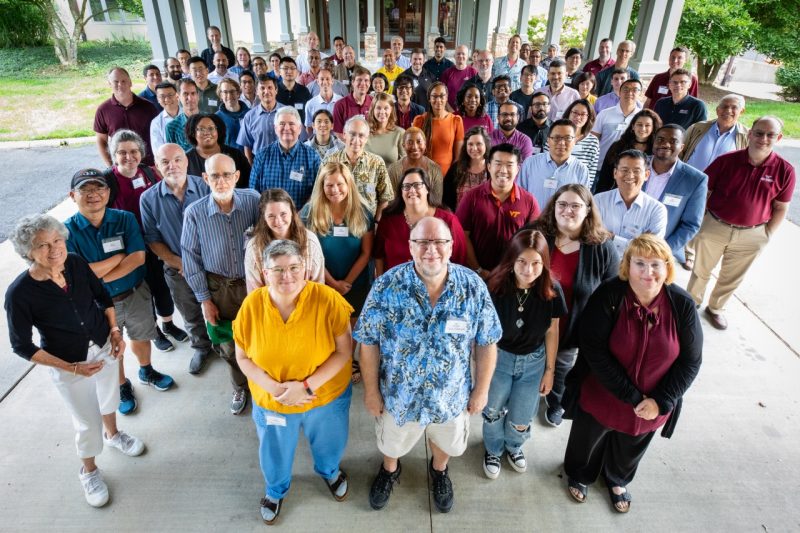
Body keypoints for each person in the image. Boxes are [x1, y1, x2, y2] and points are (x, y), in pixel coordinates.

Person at [354, 216, 502, 513]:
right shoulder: (386, 286)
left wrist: (482, 391)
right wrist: (371, 392)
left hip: (450, 397)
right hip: (399, 397)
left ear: (451, 246)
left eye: (439, 242)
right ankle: (390, 470)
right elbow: (368, 343)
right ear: (410, 247)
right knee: (392, 445)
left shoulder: (472, 287)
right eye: (422, 242)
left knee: (446, 443)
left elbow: (487, 341)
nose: (430, 249)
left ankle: (439, 471)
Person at [5, 214, 145, 508]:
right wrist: (72, 368)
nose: (53, 249)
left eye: (57, 240)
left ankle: (115, 435)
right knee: (86, 422)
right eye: (42, 245)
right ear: (27, 252)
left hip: (104, 345)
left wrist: (115, 332)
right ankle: (89, 471)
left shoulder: (76, 264)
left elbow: (103, 297)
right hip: (69, 363)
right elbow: (21, 345)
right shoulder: (20, 293)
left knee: (109, 398)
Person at [562, 233, 703, 513]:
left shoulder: (682, 304)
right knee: (587, 439)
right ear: (627, 265)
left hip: (654, 398)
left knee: (632, 444)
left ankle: (617, 478)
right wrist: (633, 395)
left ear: (667, 267)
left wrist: (661, 400)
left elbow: (691, 361)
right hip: (605, 390)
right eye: (640, 263)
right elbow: (593, 349)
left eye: (655, 264)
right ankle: (581, 473)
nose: (648, 272)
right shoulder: (609, 294)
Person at [233, 239, 353, 525]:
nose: (287, 276)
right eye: (278, 270)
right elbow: (243, 358)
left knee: (329, 441)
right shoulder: (251, 305)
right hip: (274, 401)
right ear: (264, 271)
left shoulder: (328, 299)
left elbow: (345, 351)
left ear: (306, 267)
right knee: (274, 449)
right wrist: (276, 389)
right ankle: (275, 489)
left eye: (294, 267)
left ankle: (330, 471)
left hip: (324, 396)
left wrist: (306, 386)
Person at [65, 169, 175, 416]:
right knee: (112, 348)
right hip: (97, 304)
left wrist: (95, 275)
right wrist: (117, 257)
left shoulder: (125, 219)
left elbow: (137, 258)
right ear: (73, 195)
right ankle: (122, 385)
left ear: (108, 192)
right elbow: (77, 276)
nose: (94, 194)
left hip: (135, 293)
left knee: (142, 335)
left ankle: (147, 370)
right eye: (86, 189)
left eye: (99, 188)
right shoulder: (66, 232)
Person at [686, 116, 796, 330]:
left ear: (779, 137)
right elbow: (704, 193)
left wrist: (766, 235)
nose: (763, 138)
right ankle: (692, 302)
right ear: (749, 133)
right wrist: (704, 221)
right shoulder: (727, 161)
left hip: (752, 234)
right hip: (715, 226)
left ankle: (716, 308)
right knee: (701, 270)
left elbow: (781, 207)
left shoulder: (785, 170)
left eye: (770, 135)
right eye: (759, 133)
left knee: (732, 277)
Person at [526, 184, 619, 427]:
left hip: (572, 326)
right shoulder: (535, 234)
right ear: (553, 207)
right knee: (525, 364)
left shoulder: (602, 246)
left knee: (561, 368)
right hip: (531, 322)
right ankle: (520, 401)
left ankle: (556, 402)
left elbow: (613, 291)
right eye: (562, 204)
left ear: (588, 210)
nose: (568, 210)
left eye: (576, 206)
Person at [481, 229, 567, 478]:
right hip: (499, 359)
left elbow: (552, 331)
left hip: (533, 363)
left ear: (544, 263)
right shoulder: (494, 287)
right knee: (493, 410)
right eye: (522, 262)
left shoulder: (552, 290)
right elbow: (482, 333)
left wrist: (550, 371)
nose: (528, 270)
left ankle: (514, 446)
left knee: (522, 414)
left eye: (536, 263)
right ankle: (493, 449)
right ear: (511, 260)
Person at [181, 154, 260, 415]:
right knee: (228, 342)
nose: (222, 181)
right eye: (215, 175)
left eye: (227, 175)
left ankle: (262, 385)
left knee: (260, 337)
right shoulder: (194, 213)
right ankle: (240, 385)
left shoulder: (254, 202)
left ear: (237, 176)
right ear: (205, 178)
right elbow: (190, 258)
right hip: (219, 289)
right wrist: (205, 300)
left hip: (254, 285)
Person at [104, 130, 185, 353]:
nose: (129, 157)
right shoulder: (108, 181)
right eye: (122, 153)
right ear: (114, 155)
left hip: (156, 243)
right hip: (130, 249)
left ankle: (168, 323)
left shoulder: (150, 173)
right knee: (142, 292)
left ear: (141, 153)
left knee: (162, 288)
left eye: (134, 151)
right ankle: (155, 331)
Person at [141, 143, 214, 374]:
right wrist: (181, 263)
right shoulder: (148, 198)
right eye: (165, 162)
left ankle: (224, 345)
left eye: (177, 159)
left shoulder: (207, 186)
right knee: (190, 312)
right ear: (157, 167)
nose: (172, 166)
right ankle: (202, 347)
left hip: (213, 265)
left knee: (218, 308)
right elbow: (153, 240)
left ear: (186, 161)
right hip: (177, 268)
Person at [301, 161, 374, 314]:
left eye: (340, 184)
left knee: (353, 335)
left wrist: (346, 283)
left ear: (349, 185)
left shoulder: (363, 212)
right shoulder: (309, 213)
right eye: (329, 185)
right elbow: (308, 254)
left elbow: (366, 253)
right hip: (321, 284)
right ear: (322, 187)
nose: (335, 190)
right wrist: (333, 284)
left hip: (355, 286)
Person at [456, 144, 540, 275]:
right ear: (489, 167)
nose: (503, 170)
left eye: (509, 165)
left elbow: (534, 241)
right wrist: (478, 269)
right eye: (498, 163)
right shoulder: (471, 197)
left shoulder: (529, 201)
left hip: (514, 276)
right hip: (477, 275)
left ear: (517, 169)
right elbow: (461, 236)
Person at [374, 168, 467, 275]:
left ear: (427, 189)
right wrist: (380, 284)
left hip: (436, 289)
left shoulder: (448, 220)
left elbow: (460, 260)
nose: (412, 190)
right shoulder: (388, 220)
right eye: (406, 186)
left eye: (417, 185)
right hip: (395, 288)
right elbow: (378, 255)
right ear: (401, 191)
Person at [644, 125, 708, 268]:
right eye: (660, 139)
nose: (665, 144)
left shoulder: (695, 180)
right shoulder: (636, 164)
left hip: (661, 253)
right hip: (623, 243)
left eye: (673, 141)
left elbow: (691, 224)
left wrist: (663, 250)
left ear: (682, 147)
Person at [244, 188, 325, 290]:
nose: (278, 221)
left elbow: (319, 287)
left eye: (283, 214)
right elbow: (254, 294)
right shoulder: (254, 247)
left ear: (292, 212)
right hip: (268, 305)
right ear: (264, 218)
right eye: (271, 216)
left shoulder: (310, 241)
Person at [593, 150, 668, 257]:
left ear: (646, 175)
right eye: (624, 170)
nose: (630, 175)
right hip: (599, 264)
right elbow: (592, 236)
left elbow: (652, 250)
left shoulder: (657, 210)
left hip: (636, 270)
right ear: (615, 173)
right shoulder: (598, 201)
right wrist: (639, 242)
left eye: (637, 171)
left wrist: (612, 237)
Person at [322, 115, 394, 219]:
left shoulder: (377, 163)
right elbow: (319, 194)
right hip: (335, 226)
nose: (356, 140)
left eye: (361, 135)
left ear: (367, 138)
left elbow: (385, 198)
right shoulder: (329, 162)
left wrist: (377, 224)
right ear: (344, 135)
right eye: (352, 134)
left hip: (367, 228)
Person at [249, 107, 321, 207]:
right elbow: (253, 193)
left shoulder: (313, 157)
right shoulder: (262, 156)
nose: (286, 128)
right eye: (282, 124)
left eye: (291, 124)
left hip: (301, 220)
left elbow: (317, 192)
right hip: (268, 219)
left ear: (300, 129)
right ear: (275, 128)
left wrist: (299, 216)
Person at [94, 67, 159, 167]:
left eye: (124, 80)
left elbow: (158, 135)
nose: (120, 84)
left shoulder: (148, 107)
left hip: (148, 165)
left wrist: (157, 162)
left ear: (130, 82)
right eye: (116, 81)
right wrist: (110, 166)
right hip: (121, 167)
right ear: (110, 84)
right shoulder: (103, 110)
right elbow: (101, 140)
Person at [518, 119, 590, 208]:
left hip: (564, 221)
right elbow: (519, 195)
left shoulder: (581, 170)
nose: (561, 143)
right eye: (556, 137)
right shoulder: (530, 163)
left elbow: (583, 204)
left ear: (575, 141)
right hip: (533, 220)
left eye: (567, 138)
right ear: (548, 140)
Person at [594, 109, 661, 194]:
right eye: (639, 124)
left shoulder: (657, 150)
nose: (643, 128)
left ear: (653, 128)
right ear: (633, 126)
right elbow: (605, 176)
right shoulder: (618, 146)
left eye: (647, 125)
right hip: (617, 193)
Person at [592, 79, 646, 175]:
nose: (629, 93)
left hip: (629, 170)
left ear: (640, 94)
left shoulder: (643, 117)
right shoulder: (604, 114)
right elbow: (593, 139)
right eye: (626, 89)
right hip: (601, 166)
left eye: (635, 90)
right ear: (619, 92)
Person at [682, 94, 748, 172]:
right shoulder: (697, 128)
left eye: (734, 107)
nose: (728, 110)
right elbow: (680, 151)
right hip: (688, 179)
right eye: (724, 106)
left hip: (721, 183)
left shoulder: (747, 136)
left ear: (741, 111)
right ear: (717, 110)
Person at [185, 113, 251, 188]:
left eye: (211, 128)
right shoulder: (186, 160)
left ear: (218, 131)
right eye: (201, 129)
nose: (207, 133)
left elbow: (248, 182)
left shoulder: (236, 155)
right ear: (193, 133)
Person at [413, 82, 464, 176]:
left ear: (446, 98)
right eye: (434, 96)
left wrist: (451, 177)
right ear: (429, 98)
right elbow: (415, 154)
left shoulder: (456, 120)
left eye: (441, 96)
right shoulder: (420, 120)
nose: (438, 100)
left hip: (448, 178)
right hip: (424, 177)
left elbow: (458, 158)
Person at [387, 127, 444, 203]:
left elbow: (436, 201)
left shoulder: (435, 169)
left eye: (419, 142)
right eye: (410, 142)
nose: (415, 147)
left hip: (428, 213)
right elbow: (392, 202)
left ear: (425, 144)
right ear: (403, 146)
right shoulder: (393, 170)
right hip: (401, 213)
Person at [237, 75, 284, 163]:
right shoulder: (249, 116)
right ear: (257, 92)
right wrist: (251, 167)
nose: (266, 91)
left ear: (276, 90)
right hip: (260, 163)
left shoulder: (288, 113)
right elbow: (247, 145)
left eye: (270, 87)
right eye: (262, 88)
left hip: (285, 161)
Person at [443, 126, 490, 210]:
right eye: (470, 144)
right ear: (466, 146)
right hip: (459, 219)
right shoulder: (456, 168)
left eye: (479, 144)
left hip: (485, 221)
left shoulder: (492, 168)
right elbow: (446, 198)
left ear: (486, 145)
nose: (474, 148)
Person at [561, 99, 601, 189]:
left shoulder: (593, 141)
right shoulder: (557, 134)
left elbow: (591, 173)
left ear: (588, 117)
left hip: (577, 189)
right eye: (575, 112)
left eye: (583, 114)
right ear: (569, 113)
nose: (578, 117)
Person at [365, 92, 406, 166]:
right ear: (373, 110)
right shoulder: (364, 132)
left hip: (392, 177)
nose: (382, 112)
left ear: (391, 110)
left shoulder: (400, 133)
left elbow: (405, 164)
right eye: (378, 108)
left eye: (386, 108)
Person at [276, 57, 312, 137]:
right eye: (285, 68)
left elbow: (310, 113)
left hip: (300, 134)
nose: (289, 71)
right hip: (280, 134)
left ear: (296, 72)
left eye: (292, 68)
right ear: (280, 72)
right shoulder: (274, 91)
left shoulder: (304, 91)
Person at [332, 66, 373, 136]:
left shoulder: (374, 102)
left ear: (369, 84)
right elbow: (338, 132)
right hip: (348, 145)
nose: (363, 83)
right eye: (359, 80)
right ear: (353, 82)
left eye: (366, 80)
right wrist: (354, 145)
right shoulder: (340, 105)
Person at [165, 78, 201, 152]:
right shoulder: (172, 127)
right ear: (178, 97)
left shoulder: (210, 120)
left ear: (198, 96)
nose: (190, 98)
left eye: (193, 93)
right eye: (185, 94)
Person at [304, 67, 341, 136]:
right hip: (317, 144)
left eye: (327, 79)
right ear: (317, 81)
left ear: (332, 81)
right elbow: (309, 128)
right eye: (322, 79)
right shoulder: (310, 104)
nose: (324, 82)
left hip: (337, 144)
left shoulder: (341, 102)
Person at [215, 78, 249, 150]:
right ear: (220, 95)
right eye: (225, 92)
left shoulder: (250, 114)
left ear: (238, 93)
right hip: (227, 159)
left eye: (232, 91)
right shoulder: (216, 118)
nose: (229, 95)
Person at [440, 45, 477, 109]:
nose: (460, 56)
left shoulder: (474, 72)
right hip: (450, 112)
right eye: (458, 54)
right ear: (454, 56)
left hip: (468, 112)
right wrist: (451, 110)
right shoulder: (447, 73)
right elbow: (442, 94)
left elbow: (477, 94)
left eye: (463, 54)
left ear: (467, 56)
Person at [150, 82, 181, 154]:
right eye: (162, 96)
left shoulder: (189, 115)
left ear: (177, 96)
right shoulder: (156, 123)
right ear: (157, 99)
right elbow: (158, 151)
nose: (167, 99)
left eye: (170, 95)